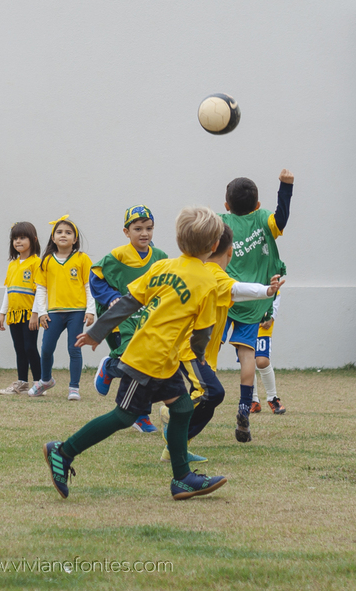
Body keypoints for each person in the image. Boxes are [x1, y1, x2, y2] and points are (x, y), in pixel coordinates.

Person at [42, 206, 228, 501]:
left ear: (179, 239)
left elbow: (128, 302)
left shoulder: (163, 266)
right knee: (124, 416)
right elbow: (203, 331)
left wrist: (97, 332)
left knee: (182, 407)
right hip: (147, 359)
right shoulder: (207, 282)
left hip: (164, 359)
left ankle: (182, 479)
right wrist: (199, 352)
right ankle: (63, 452)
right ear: (215, 245)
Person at [164, 224, 282, 461]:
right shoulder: (214, 273)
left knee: (207, 403)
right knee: (213, 393)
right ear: (229, 251)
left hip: (196, 351)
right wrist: (267, 291)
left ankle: (176, 449)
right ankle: (173, 417)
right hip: (189, 350)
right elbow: (237, 289)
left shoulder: (198, 270)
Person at [220, 169, 293, 443]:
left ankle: (198, 392)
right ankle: (243, 407)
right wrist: (286, 188)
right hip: (256, 300)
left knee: (207, 346)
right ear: (258, 204)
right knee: (247, 355)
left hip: (227, 296)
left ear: (226, 205)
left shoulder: (221, 222)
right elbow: (281, 218)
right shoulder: (264, 219)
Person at [90, 205, 168, 432]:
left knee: (147, 365)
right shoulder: (118, 255)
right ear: (126, 232)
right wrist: (111, 297)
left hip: (147, 319)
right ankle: (110, 367)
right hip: (122, 318)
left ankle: (140, 415)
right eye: (138, 229)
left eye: (149, 228)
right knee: (132, 361)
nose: (144, 233)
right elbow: (96, 277)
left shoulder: (161, 257)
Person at [28, 216, 95, 400]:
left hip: (77, 312)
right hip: (53, 313)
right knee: (46, 349)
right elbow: (41, 289)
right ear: (53, 237)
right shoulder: (46, 261)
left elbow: (89, 286)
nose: (63, 235)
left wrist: (90, 310)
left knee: (74, 349)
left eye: (68, 232)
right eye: (59, 232)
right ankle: (45, 380)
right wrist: (42, 312)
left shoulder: (82, 259)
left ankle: (74, 388)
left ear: (75, 239)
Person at [0, 222, 41, 395]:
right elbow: (8, 290)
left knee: (30, 347)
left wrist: (36, 314)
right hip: (14, 314)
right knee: (19, 348)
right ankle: (22, 383)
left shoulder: (37, 263)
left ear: (33, 239)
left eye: (22, 237)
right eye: (15, 238)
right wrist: (2, 313)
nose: (18, 241)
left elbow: (40, 291)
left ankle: (39, 383)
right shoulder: (12, 265)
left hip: (30, 314)